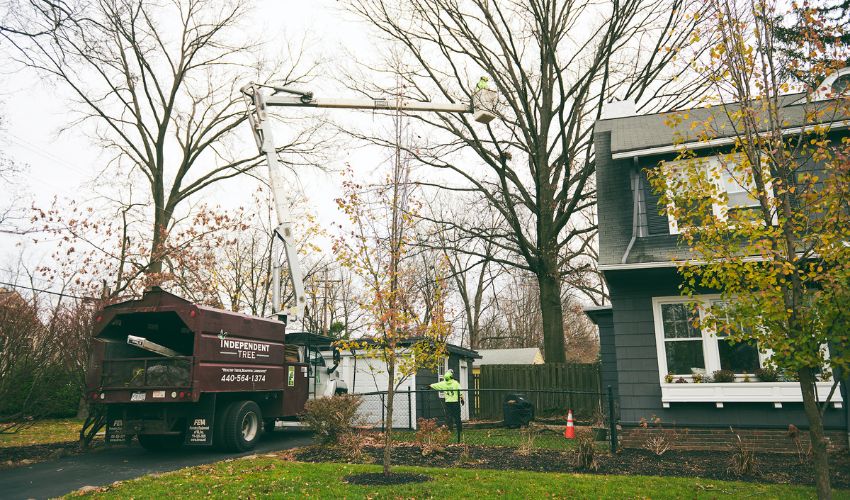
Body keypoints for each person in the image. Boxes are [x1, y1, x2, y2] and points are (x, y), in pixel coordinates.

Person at [430, 369, 463, 442]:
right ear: (451, 376)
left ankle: (450, 429)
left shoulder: (443, 383)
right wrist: (462, 398)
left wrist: (429, 386)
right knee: (457, 416)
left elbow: (435, 385)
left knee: (449, 416)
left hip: (448, 402)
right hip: (455, 402)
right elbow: (460, 391)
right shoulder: (455, 383)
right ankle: (459, 429)